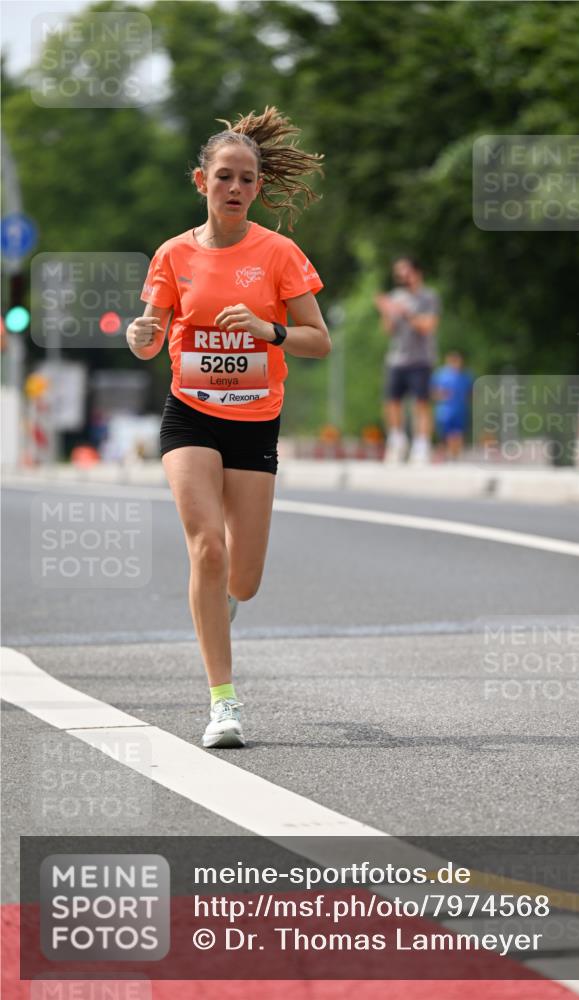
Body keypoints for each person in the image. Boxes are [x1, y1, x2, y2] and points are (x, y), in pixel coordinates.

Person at [126, 106, 330, 749]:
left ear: (258, 188)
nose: (235, 188)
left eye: (247, 179)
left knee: (243, 577)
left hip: (254, 422)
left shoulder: (279, 254)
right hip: (190, 413)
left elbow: (318, 342)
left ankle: (227, 599)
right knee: (206, 549)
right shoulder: (173, 254)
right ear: (201, 182)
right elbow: (151, 335)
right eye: (224, 177)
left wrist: (269, 330)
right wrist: (140, 335)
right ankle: (223, 703)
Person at [374, 257, 440, 463]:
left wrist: (405, 312)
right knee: (391, 402)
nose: (401, 277)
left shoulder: (428, 297)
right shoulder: (396, 296)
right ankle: (396, 440)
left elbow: (428, 326)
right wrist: (386, 312)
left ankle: (422, 444)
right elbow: (388, 330)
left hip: (421, 358)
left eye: (405, 272)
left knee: (421, 403)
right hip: (397, 358)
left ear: (416, 272)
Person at [431, 350, 474, 460]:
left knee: (458, 433)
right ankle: (448, 453)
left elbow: (471, 393)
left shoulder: (466, 376)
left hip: (460, 409)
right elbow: (434, 392)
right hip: (445, 410)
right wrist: (442, 395)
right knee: (447, 433)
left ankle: (456, 455)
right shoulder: (440, 375)